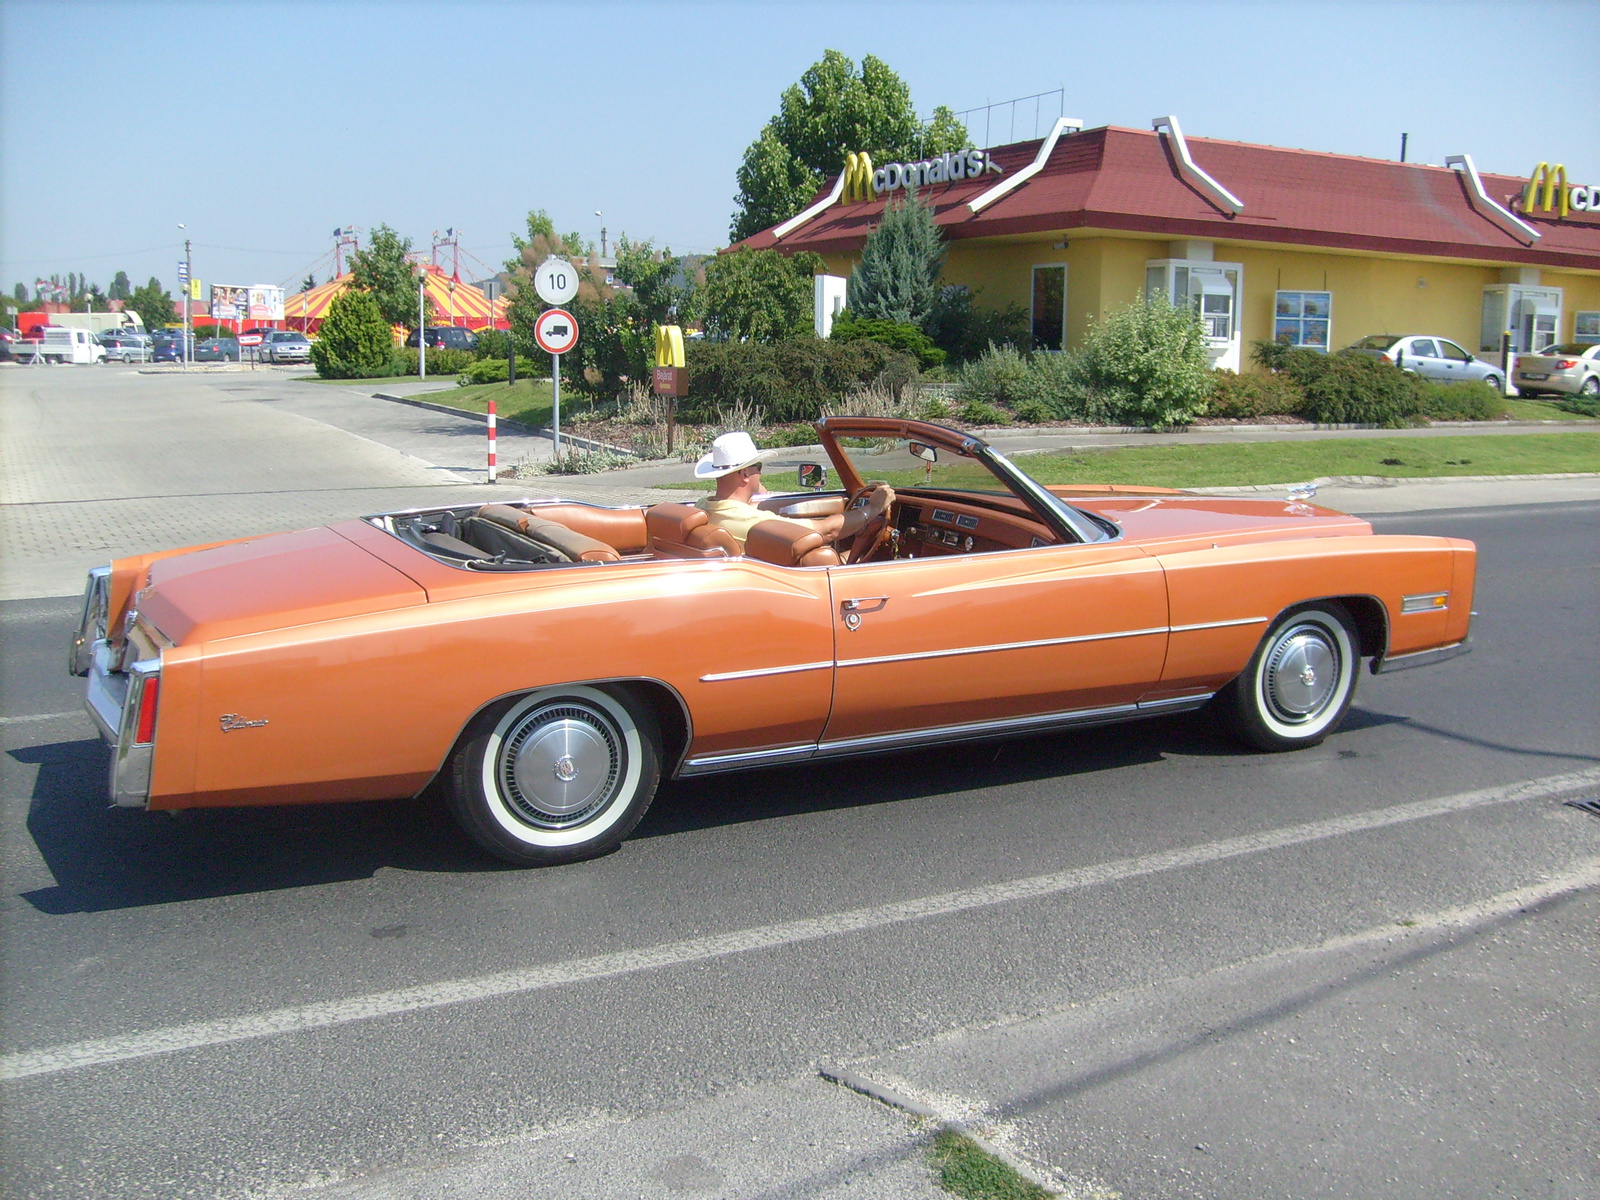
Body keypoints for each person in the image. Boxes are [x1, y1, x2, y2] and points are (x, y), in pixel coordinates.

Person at [694, 431, 895, 554]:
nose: (760, 474)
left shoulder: (703, 506)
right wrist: (874, 508)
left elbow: (739, 508)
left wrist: (754, 492)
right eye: (759, 468)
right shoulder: (752, 521)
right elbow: (826, 531)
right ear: (745, 473)